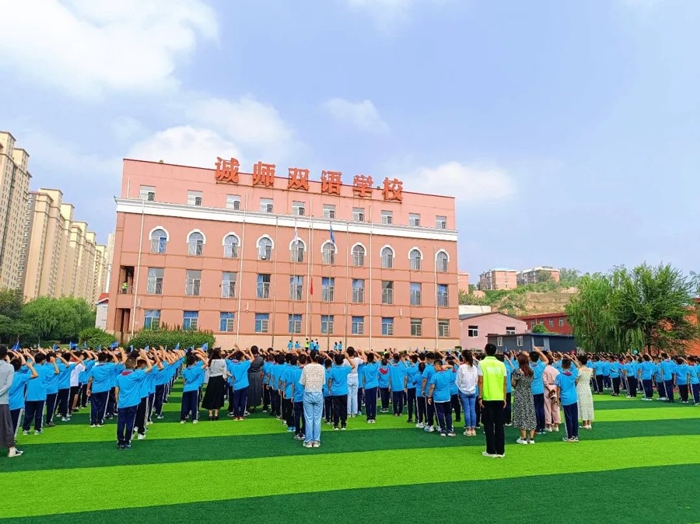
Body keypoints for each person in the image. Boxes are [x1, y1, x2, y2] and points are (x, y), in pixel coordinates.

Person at [115, 349, 153, 449]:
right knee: (130, 422)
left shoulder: (119, 377)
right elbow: (150, 368)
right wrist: (145, 356)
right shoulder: (135, 375)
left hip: (122, 403)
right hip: (132, 403)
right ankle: (127, 441)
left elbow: (116, 390)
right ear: (134, 365)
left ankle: (120, 441)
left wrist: (117, 400)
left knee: (121, 423)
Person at [478, 344, 507, 458]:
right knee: (499, 425)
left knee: (489, 425)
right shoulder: (501, 364)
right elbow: (505, 382)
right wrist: (504, 397)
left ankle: (490, 450)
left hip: (487, 397)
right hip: (499, 397)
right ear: (495, 352)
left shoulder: (482, 363)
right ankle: (500, 451)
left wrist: (480, 397)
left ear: (485, 351)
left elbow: (480, 381)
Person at [1, 345, 23, 458]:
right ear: (5, 355)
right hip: (3, 400)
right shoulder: (9, 367)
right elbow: (8, 385)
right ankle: (11, 449)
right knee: (7, 425)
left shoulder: (9, 366)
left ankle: (12, 449)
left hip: (3, 400)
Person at [328, 351, 359, 431]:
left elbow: (330, 380)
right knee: (343, 408)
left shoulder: (332, 370)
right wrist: (348, 357)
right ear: (342, 361)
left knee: (336, 408)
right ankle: (343, 424)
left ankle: (336, 424)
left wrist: (329, 388)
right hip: (344, 391)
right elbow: (353, 365)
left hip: (335, 391)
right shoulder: (345, 369)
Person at [300, 352, 325, 448]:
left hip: (308, 393)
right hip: (318, 393)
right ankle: (316, 440)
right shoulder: (322, 368)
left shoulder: (306, 368)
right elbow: (323, 382)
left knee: (309, 418)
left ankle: (308, 441)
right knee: (317, 419)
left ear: (310, 357)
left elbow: (303, 382)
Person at [512, 353, 537, 444]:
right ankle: (531, 438)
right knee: (530, 414)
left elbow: (513, 383)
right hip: (529, 393)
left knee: (521, 414)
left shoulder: (517, 371)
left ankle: (523, 438)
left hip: (520, 394)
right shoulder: (531, 371)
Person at [427, 359, 456, 437]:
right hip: (447, 397)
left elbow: (432, 387)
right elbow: (453, 367)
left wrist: (429, 396)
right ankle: (450, 430)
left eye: (434, 366)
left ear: (438, 366)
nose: (434, 367)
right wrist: (446, 366)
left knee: (440, 414)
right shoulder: (448, 373)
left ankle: (442, 430)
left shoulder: (435, 376)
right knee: (448, 414)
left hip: (438, 398)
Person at [555, 358, 579, 443]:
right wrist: (572, 359)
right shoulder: (573, 374)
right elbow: (578, 366)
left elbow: (558, 389)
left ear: (562, 365)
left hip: (565, 399)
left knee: (568, 418)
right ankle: (575, 436)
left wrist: (557, 399)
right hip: (573, 398)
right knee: (574, 417)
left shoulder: (559, 376)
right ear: (570, 365)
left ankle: (569, 436)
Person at [180, 350, 207, 424]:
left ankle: (183, 418)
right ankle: (194, 418)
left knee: (185, 404)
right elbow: (206, 364)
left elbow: (183, 381)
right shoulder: (196, 369)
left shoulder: (185, 370)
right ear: (194, 361)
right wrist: (201, 356)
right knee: (194, 404)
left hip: (186, 388)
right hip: (194, 388)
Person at [456, 350, 479, 437]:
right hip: (472, 391)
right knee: (472, 410)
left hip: (464, 391)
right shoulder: (474, 368)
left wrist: (461, 388)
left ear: (464, 357)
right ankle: (473, 429)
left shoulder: (461, 367)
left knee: (467, 410)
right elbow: (476, 380)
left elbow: (458, 381)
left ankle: (468, 429)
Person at [227, 348, 252, 421]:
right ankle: (241, 416)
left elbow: (225, 359)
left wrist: (232, 353)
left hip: (236, 385)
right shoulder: (244, 364)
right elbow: (252, 359)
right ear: (242, 357)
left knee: (235, 400)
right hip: (244, 384)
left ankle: (235, 416)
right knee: (243, 400)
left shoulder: (231, 365)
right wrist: (247, 351)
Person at [202, 348, 227, 420]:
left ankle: (210, 414)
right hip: (219, 379)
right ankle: (216, 414)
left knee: (210, 395)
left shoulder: (210, 361)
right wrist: (224, 377)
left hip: (212, 379)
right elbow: (224, 371)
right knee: (218, 396)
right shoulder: (222, 361)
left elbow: (208, 371)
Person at [529, 348, 548, 435]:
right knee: (541, 409)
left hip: (532, 391)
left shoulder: (528, 367)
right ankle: (542, 427)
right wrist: (539, 351)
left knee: (534, 410)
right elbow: (546, 360)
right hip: (540, 391)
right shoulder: (540, 365)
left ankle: (537, 427)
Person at [542, 354, 560, 433]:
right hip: (555, 387)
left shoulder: (544, 370)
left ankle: (548, 425)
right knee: (555, 407)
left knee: (547, 407)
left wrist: (550, 390)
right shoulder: (556, 370)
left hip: (547, 388)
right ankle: (556, 425)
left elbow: (545, 381)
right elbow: (558, 380)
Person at [576, 355, 595, 430]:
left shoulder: (580, 370)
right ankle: (589, 423)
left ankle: (585, 423)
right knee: (589, 405)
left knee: (582, 405)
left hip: (580, 388)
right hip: (587, 388)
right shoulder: (590, 370)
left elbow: (576, 381)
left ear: (580, 362)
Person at [360, 352, 380, 423]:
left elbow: (363, 378)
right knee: (373, 402)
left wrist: (363, 386)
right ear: (373, 359)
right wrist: (373, 352)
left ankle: (368, 417)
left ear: (367, 359)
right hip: (374, 386)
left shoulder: (364, 368)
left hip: (367, 386)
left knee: (368, 402)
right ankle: (373, 417)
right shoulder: (375, 366)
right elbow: (379, 357)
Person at [345, 348, 362, 417]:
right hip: (355, 376)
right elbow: (365, 360)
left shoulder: (345, 360)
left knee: (349, 395)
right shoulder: (357, 359)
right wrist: (361, 352)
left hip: (348, 376)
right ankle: (354, 412)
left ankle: (349, 412)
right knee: (354, 395)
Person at [247, 347, 264, 413]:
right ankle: (255, 406)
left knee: (250, 390)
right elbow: (262, 366)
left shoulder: (249, 358)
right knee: (257, 390)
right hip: (257, 375)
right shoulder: (260, 358)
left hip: (250, 375)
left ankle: (249, 405)